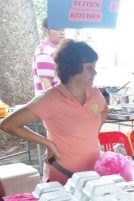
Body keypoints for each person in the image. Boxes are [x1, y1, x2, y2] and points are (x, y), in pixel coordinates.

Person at [0, 40, 108, 185]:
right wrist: (48, 144)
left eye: (94, 67)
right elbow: (8, 124)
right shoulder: (49, 98)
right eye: (89, 67)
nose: (95, 72)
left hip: (92, 174)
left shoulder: (95, 94)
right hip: (63, 174)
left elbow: (104, 111)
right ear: (73, 69)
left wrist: (93, 133)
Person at [32, 17, 65, 96]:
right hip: (53, 103)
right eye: (57, 29)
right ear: (46, 30)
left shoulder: (54, 50)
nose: (62, 32)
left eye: (63, 29)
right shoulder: (45, 52)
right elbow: (46, 85)